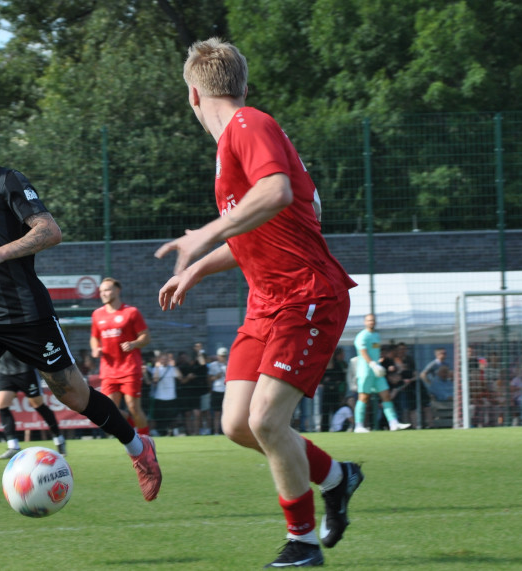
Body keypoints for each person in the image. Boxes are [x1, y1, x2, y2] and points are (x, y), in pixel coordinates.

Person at [155, 39, 363, 567]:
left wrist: (203, 234)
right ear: (241, 84)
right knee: (238, 425)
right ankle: (338, 478)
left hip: (307, 296)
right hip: (266, 303)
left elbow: (275, 194)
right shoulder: (232, 145)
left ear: (193, 95)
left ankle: (302, 543)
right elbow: (257, 229)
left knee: (268, 420)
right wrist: (199, 266)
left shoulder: (249, 125)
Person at [0, 111, 160, 521]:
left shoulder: (8, 182)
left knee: (74, 396)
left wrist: (0, 252)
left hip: (27, 315)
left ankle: (139, 447)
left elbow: (49, 230)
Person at [90, 277, 152, 436]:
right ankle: (132, 427)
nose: (103, 293)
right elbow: (94, 337)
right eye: (101, 291)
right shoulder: (97, 314)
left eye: (107, 290)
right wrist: (95, 348)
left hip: (130, 368)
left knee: (133, 406)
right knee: (108, 409)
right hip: (109, 370)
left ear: (117, 291)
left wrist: (133, 343)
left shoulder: (131, 312)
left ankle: (146, 441)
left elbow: (146, 337)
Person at [0, 351, 66, 459]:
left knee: (38, 405)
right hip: (3, 371)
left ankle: (59, 439)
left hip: (25, 370)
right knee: (1, 405)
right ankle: (13, 446)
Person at [352, 315, 411, 433]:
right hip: (366, 372)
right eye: (369, 320)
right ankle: (358, 425)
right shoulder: (362, 336)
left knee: (386, 395)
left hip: (377, 372)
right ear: (365, 322)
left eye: (373, 320)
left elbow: (375, 351)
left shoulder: (376, 335)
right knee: (363, 398)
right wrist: (373, 364)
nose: (371, 322)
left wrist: (379, 364)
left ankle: (393, 423)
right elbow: (363, 352)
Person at [177, 349, 208, 435]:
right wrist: (188, 378)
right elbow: (181, 380)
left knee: (197, 413)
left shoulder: (198, 366)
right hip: (185, 394)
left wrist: (199, 351)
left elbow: (204, 365)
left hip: (196, 393)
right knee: (187, 414)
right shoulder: (181, 367)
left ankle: (196, 432)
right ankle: (189, 432)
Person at [150, 351, 182, 436]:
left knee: (172, 417)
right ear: (159, 360)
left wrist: (174, 366)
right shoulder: (156, 369)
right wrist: (156, 367)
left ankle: (171, 432)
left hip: (171, 397)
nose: (164, 360)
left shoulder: (172, 368)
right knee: (160, 418)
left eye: (165, 359)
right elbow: (155, 380)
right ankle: (161, 432)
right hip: (160, 397)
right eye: (162, 359)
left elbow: (180, 377)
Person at [206, 347, 228, 435]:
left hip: (226, 390)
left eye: (224, 356)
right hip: (216, 390)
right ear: (218, 356)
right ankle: (216, 431)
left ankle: (225, 431)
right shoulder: (213, 365)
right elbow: (209, 378)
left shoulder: (229, 364)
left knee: (226, 413)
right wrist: (216, 377)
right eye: (221, 356)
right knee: (217, 413)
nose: (223, 357)